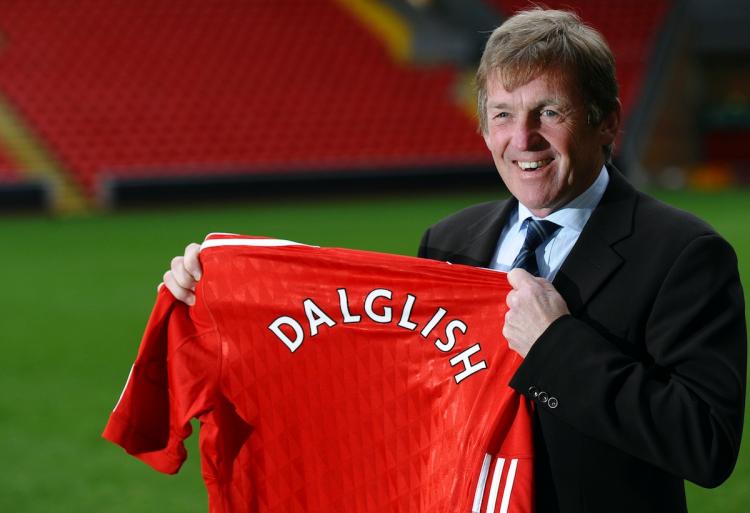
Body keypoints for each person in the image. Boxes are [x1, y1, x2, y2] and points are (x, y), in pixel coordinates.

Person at [161, 8, 746, 513]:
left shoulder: (683, 254)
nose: (524, 138)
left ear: (607, 120)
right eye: (501, 114)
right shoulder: (449, 242)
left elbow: (705, 443)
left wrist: (557, 348)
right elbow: (392, 394)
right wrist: (223, 296)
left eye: (550, 112)